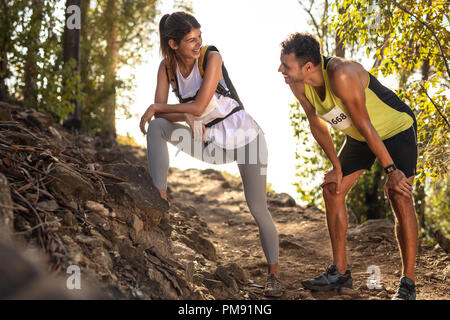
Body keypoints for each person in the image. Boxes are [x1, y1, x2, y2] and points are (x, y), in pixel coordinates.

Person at [140, 12, 283, 297]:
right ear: (173, 44)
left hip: (247, 140)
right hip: (210, 144)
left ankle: (275, 276)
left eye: (199, 37)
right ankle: (159, 202)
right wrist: (162, 111)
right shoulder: (166, 69)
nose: (197, 44)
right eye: (190, 40)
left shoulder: (211, 56)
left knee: (257, 207)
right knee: (157, 127)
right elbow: (171, 112)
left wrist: (159, 108)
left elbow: (196, 106)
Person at [278, 33, 418, 300]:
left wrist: (392, 171)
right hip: (358, 135)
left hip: (394, 128)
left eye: (286, 65)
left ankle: (408, 283)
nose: (280, 70)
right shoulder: (297, 83)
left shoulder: (341, 74)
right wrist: (335, 166)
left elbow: (367, 125)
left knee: (399, 195)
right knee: (333, 188)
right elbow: (315, 122)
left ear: (308, 67)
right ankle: (339, 272)